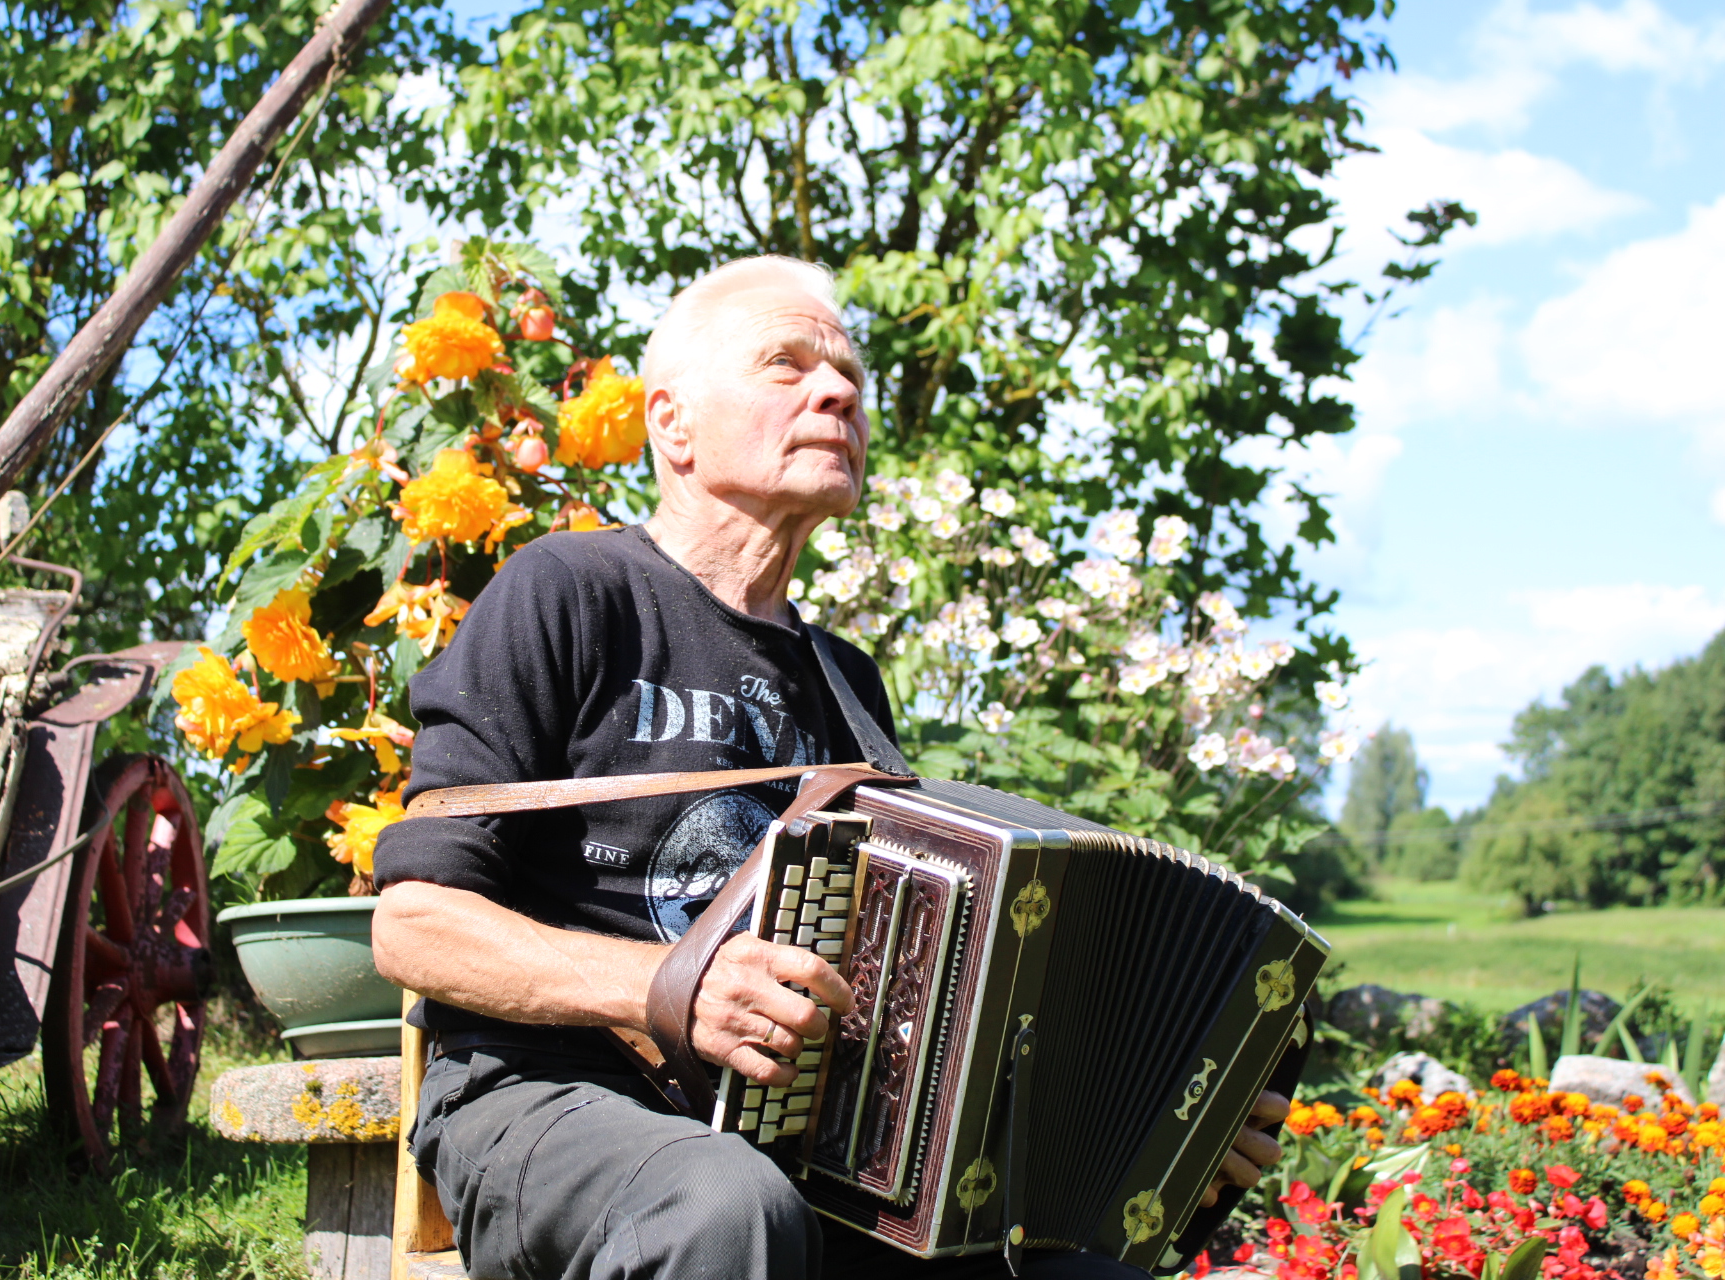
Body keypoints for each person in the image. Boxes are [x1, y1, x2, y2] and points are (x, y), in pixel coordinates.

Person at [371, 255, 1287, 1280]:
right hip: (551, 1096)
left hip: (798, 1142)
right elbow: (413, 924)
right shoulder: (571, 590)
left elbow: (927, 1006)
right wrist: (671, 985)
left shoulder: (847, 684)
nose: (839, 393)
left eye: (848, 374)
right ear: (672, 424)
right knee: (726, 1207)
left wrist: (1168, 1129)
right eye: (786, 363)